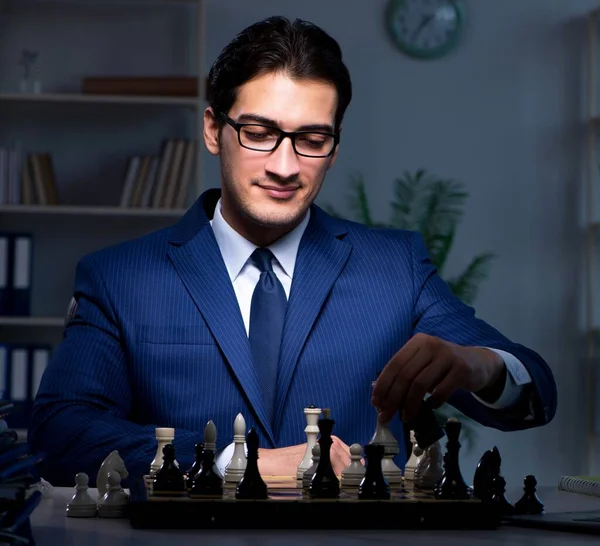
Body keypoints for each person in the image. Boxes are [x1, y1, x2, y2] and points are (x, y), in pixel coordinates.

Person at [28, 16, 557, 487]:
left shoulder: (396, 268)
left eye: (311, 139)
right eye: (259, 133)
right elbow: (61, 433)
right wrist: (241, 461)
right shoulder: (120, 277)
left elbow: (536, 393)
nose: (285, 166)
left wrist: (479, 366)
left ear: (334, 146)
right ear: (214, 129)